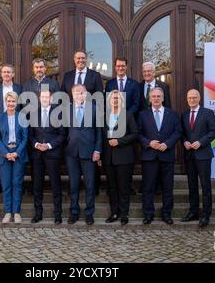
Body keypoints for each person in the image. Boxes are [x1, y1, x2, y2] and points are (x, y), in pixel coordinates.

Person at [61, 50, 104, 196]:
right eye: (78, 58)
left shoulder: (95, 76)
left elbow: (99, 98)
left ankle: (93, 192)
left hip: (89, 120)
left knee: (90, 179)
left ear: (86, 60)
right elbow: (63, 98)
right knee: (73, 180)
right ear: (74, 60)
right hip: (73, 125)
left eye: (83, 58)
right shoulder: (67, 76)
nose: (81, 60)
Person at [138, 87, 181, 225]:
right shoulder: (142, 115)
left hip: (166, 155)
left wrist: (167, 144)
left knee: (167, 187)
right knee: (148, 187)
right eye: (154, 96)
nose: (156, 98)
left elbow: (177, 132)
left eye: (158, 96)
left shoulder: (172, 114)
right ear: (150, 99)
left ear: (163, 98)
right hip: (149, 156)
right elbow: (138, 134)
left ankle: (167, 213)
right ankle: (148, 214)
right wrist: (149, 143)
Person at [65, 84, 102, 226]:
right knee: (73, 184)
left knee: (89, 184)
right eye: (76, 93)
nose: (79, 95)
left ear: (86, 94)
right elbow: (63, 131)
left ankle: (89, 213)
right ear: (72, 95)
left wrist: (98, 150)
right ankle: (74, 212)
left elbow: (99, 132)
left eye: (82, 93)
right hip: (71, 153)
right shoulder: (66, 109)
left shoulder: (94, 109)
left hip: (89, 152)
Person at [180, 89, 215, 228]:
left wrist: (201, 142)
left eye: (194, 97)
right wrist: (184, 141)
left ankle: (206, 214)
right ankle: (193, 212)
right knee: (192, 186)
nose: (192, 99)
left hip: (203, 155)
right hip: (189, 155)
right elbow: (182, 133)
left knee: (205, 186)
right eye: (189, 97)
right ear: (187, 99)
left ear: (199, 98)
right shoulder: (184, 115)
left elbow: (214, 132)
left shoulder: (208, 113)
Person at [22, 58, 60, 195]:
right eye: (36, 67)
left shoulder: (53, 84)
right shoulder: (27, 85)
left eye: (41, 67)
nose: (39, 69)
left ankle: (52, 189)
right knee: (35, 166)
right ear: (33, 69)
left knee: (52, 170)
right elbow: (24, 106)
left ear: (45, 69)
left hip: (50, 127)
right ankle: (35, 189)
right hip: (33, 127)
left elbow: (57, 104)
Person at [29, 90, 66, 225]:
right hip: (37, 154)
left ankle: (58, 214)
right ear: (39, 98)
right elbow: (30, 135)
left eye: (47, 97)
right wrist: (37, 144)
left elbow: (62, 134)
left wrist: (49, 145)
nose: (45, 99)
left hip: (52, 154)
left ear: (51, 98)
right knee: (37, 185)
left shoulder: (58, 113)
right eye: (42, 97)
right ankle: (38, 213)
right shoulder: (33, 113)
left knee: (55, 185)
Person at [102, 90, 138, 226]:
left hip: (124, 157)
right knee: (112, 188)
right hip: (109, 158)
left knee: (123, 187)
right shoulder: (104, 116)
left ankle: (124, 214)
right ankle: (114, 213)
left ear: (121, 101)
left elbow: (135, 134)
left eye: (117, 98)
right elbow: (102, 137)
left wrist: (119, 141)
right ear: (109, 101)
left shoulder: (128, 115)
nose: (115, 100)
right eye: (113, 98)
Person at [0, 91, 29, 224]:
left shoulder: (22, 117)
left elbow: (25, 138)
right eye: (8, 101)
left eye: (13, 101)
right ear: (5, 102)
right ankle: (8, 212)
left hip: (18, 155)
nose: (11, 103)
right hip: (4, 155)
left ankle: (17, 212)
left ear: (16, 102)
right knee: (6, 184)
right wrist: (5, 153)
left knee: (17, 183)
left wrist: (16, 153)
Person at [138, 61, 172, 195]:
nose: (147, 73)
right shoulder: (138, 86)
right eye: (144, 71)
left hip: (160, 125)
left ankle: (159, 185)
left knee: (160, 157)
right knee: (147, 158)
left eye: (149, 71)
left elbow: (168, 105)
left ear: (154, 72)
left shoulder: (163, 86)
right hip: (144, 127)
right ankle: (146, 183)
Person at [0, 64, 22, 194]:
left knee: (15, 152)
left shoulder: (19, 88)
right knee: (1, 153)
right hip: (0, 125)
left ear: (13, 74)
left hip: (15, 124)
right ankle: (0, 184)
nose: (7, 74)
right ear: (1, 74)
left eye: (9, 72)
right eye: (4, 72)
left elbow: (22, 107)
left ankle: (16, 183)